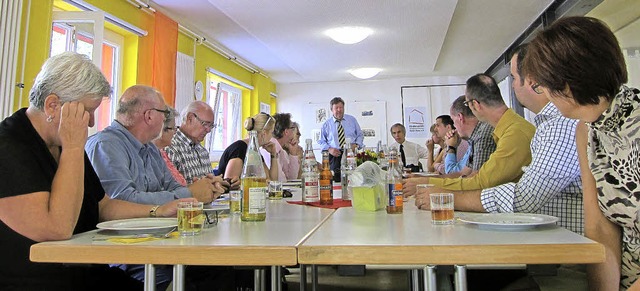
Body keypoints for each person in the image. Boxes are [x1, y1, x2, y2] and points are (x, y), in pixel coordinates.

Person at [0, 52, 189, 290]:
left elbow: (103, 206)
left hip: (85, 271)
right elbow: (56, 228)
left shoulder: (62, 145)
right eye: (87, 111)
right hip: (35, 280)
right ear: (52, 105)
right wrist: (73, 147)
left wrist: (157, 211)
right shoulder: (10, 147)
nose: (91, 122)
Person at [416, 44, 584, 235]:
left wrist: (444, 194)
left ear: (533, 81)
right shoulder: (542, 126)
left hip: (566, 243)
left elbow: (520, 197)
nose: (512, 85)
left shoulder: (554, 127)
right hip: (556, 238)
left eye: (514, 78)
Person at [523, 16, 640, 290]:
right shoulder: (586, 131)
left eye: (542, 85)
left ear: (566, 84)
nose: (545, 95)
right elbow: (600, 228)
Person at [86, 85, 225, 206]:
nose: (166, 119)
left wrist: (201, 188)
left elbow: (172, 187)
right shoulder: (106, 145)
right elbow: (121, 201)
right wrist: (190, 193)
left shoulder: (150, 148)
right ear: (149, 116)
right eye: (164, 113)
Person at [404, 74, 535, 195]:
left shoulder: (512, 133)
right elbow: (468, 175)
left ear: (475, 105)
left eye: (515, 78)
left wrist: (426, 183)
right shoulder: (508, 128)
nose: (513, 85)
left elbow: (481, 182)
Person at [218, 112, 279, 183]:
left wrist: (273, 155)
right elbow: (230, 183)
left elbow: (272, 181)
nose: (272, 136)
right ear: (264, 133)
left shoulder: (255, 151)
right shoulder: (239, 149)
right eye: (272, 132)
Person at [165, 101, 216, 185]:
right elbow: (170, 193)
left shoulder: (202, 151)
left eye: (211, 126)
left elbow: (211, 184)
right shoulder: (170, 148)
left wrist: (224, 184)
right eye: (205, 124)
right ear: (190, 118)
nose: (208, 130)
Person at [318, 97, 364, 181]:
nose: (339, 110)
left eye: (341, 107)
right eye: (336, 108)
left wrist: (357, 145)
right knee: (335, 180)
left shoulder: (352, 120)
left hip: (351, 154)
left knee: (353, 179)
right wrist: (329, 149)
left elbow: (360, 135)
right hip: (334, 155)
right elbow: (321, 141)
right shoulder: (326, 124)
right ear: (332, 109)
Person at [260, 113, 302, 181]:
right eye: (293, 129)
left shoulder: (281, 151)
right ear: (286, 131)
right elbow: (280, 180)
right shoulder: (268, 148)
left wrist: (293, 153)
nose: (294, 132)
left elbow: (292, 178)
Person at [152, 106, 187, 186]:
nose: (175, 132)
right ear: (161, 129)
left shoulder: (162, 153)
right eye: (173, 128)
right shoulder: (151, 157)